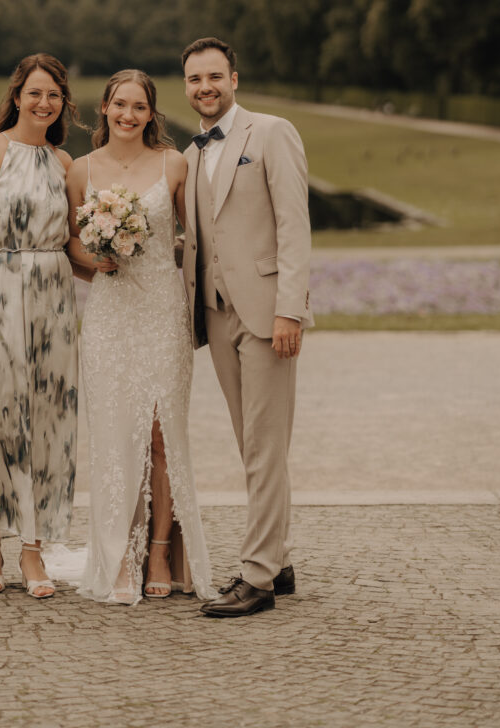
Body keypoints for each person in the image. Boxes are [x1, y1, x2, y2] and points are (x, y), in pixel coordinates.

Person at [66, 69, 214, 605]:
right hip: (109, 316)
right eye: (119, 104)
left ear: (152, 114)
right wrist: (99, 256)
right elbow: (70, 246)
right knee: (114, 435)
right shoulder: (80, 170)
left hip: (160, 313)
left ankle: (158, 551)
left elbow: (194, 242)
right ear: (103, 108)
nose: (128, 115)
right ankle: (118, 553)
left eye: (139, 107)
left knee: (161, 435)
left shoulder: (175, 164)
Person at [180, 37, 312, 618]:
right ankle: (278, 560)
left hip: (266, 313)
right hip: (215, 312)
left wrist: (290, 308)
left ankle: (257, 578)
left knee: (264, 444)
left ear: (234, 78)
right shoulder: (188, 154)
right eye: (193, 79)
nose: (204, 87)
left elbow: (294, 224)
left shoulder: (271, 132)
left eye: (214, 76)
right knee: (250, 441)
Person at [0, 53, 81, 598]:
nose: (44, 103)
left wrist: (115, 255)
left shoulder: (66, 164)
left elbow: (74, 242)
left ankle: (33, 550)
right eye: (35, 93)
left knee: (47, 420)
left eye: (53, 95)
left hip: (54, 298)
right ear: (17, 95)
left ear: (63, 103)